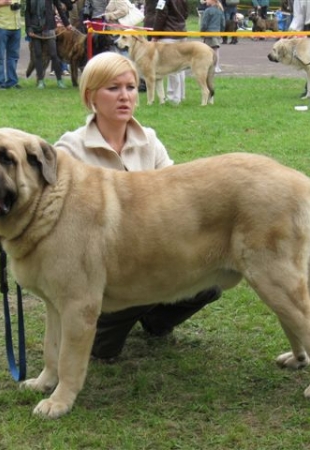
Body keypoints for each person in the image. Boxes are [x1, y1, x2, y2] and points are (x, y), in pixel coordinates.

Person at [53, 52, 222, 360]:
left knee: (209, 278)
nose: (125, 96)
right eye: (113, 88)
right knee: (103, 353)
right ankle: (110, 320)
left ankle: (156, 321)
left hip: (148, 262)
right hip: (98, 278)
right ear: (91, 95)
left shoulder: (150, 141)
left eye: (131, 87)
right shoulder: (69, 150)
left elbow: (178, 196)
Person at [24, 0, 72, 89]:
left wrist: (67, 24)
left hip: (49, 28)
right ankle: (40, 81)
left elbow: (59, 8)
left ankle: (59, 81)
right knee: (38, 55)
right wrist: (28, 29)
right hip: (35, 29)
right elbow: (27, 13)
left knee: (54, 54)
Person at [153, 0, 189, 105]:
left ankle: (173, 97)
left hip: (169, 35)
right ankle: (181, 95)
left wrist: (155, 35)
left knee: (171, 67)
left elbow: (160, 16)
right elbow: (185, 14)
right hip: (182, 33)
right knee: (181, 67)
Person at [200, 0, 225, 73]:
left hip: (209, 33)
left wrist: (202, 31)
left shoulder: (208, 11)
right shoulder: (220, 10)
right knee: (216, 51)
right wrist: (221, 32)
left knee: (207, 51)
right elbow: (223, 23)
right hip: (217, 33)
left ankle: (209, 66)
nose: (206, 1)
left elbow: (204, 23)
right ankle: (216, 66)